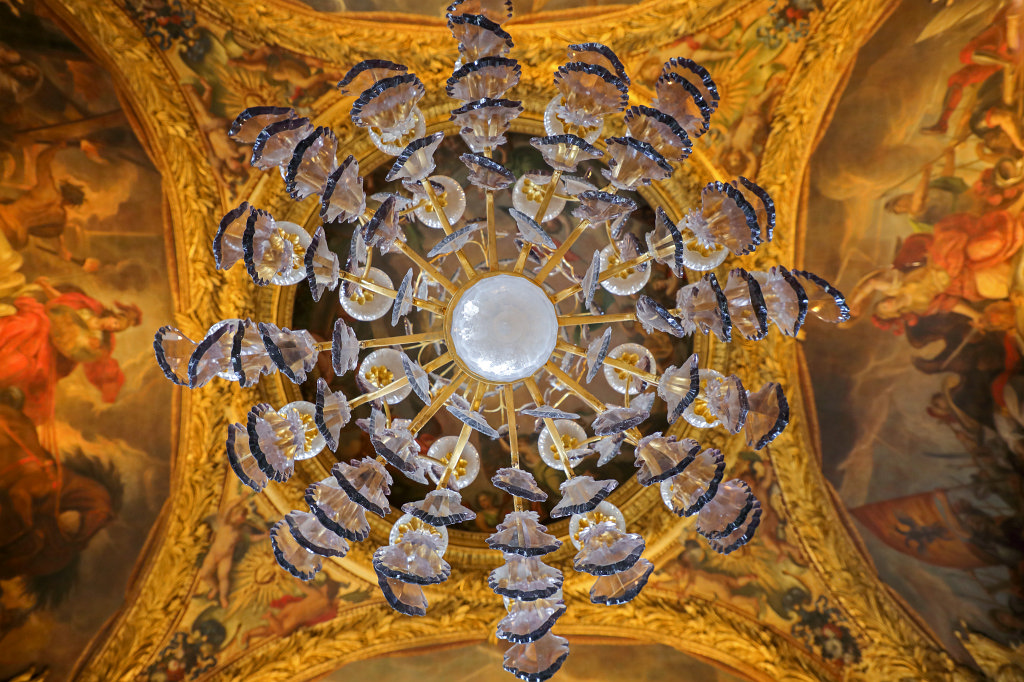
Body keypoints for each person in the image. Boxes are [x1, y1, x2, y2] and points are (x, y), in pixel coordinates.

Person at [0, 279, 141, 424]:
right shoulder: (90, 308)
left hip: (50, 347)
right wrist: (45, 286)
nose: (112, 326)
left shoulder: (97, 340)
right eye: (115, 322)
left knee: (26, 365)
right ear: (113, 316)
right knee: (29, 323)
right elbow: (61, 300)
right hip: (46, 322)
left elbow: (82, 353)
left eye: (116, 329)